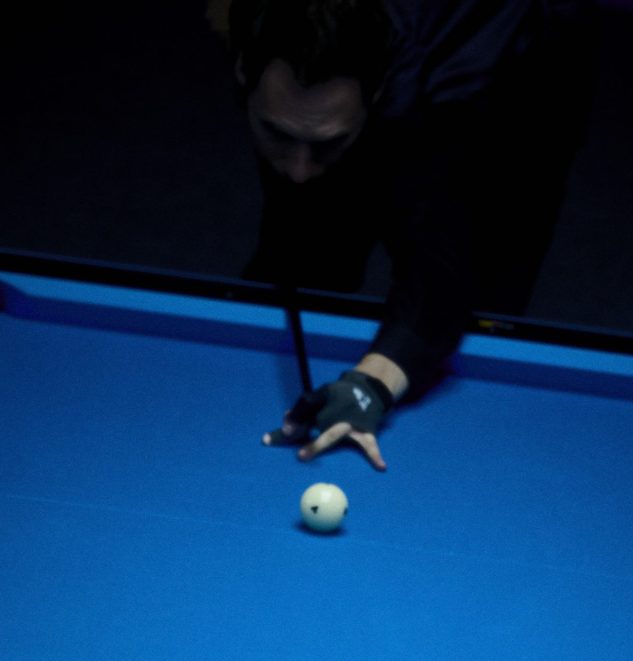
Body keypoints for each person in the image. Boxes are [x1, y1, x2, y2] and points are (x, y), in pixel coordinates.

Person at [220, 0, 596, 468]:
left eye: (327, 143)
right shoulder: (255, 27)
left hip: (522, 69)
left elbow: (438, 265)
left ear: (377, 91)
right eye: (277, 133)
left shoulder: (448, 89)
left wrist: (373, 383)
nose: (298, 169)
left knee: (488, 270)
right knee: (312, 242)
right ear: (242, 67)